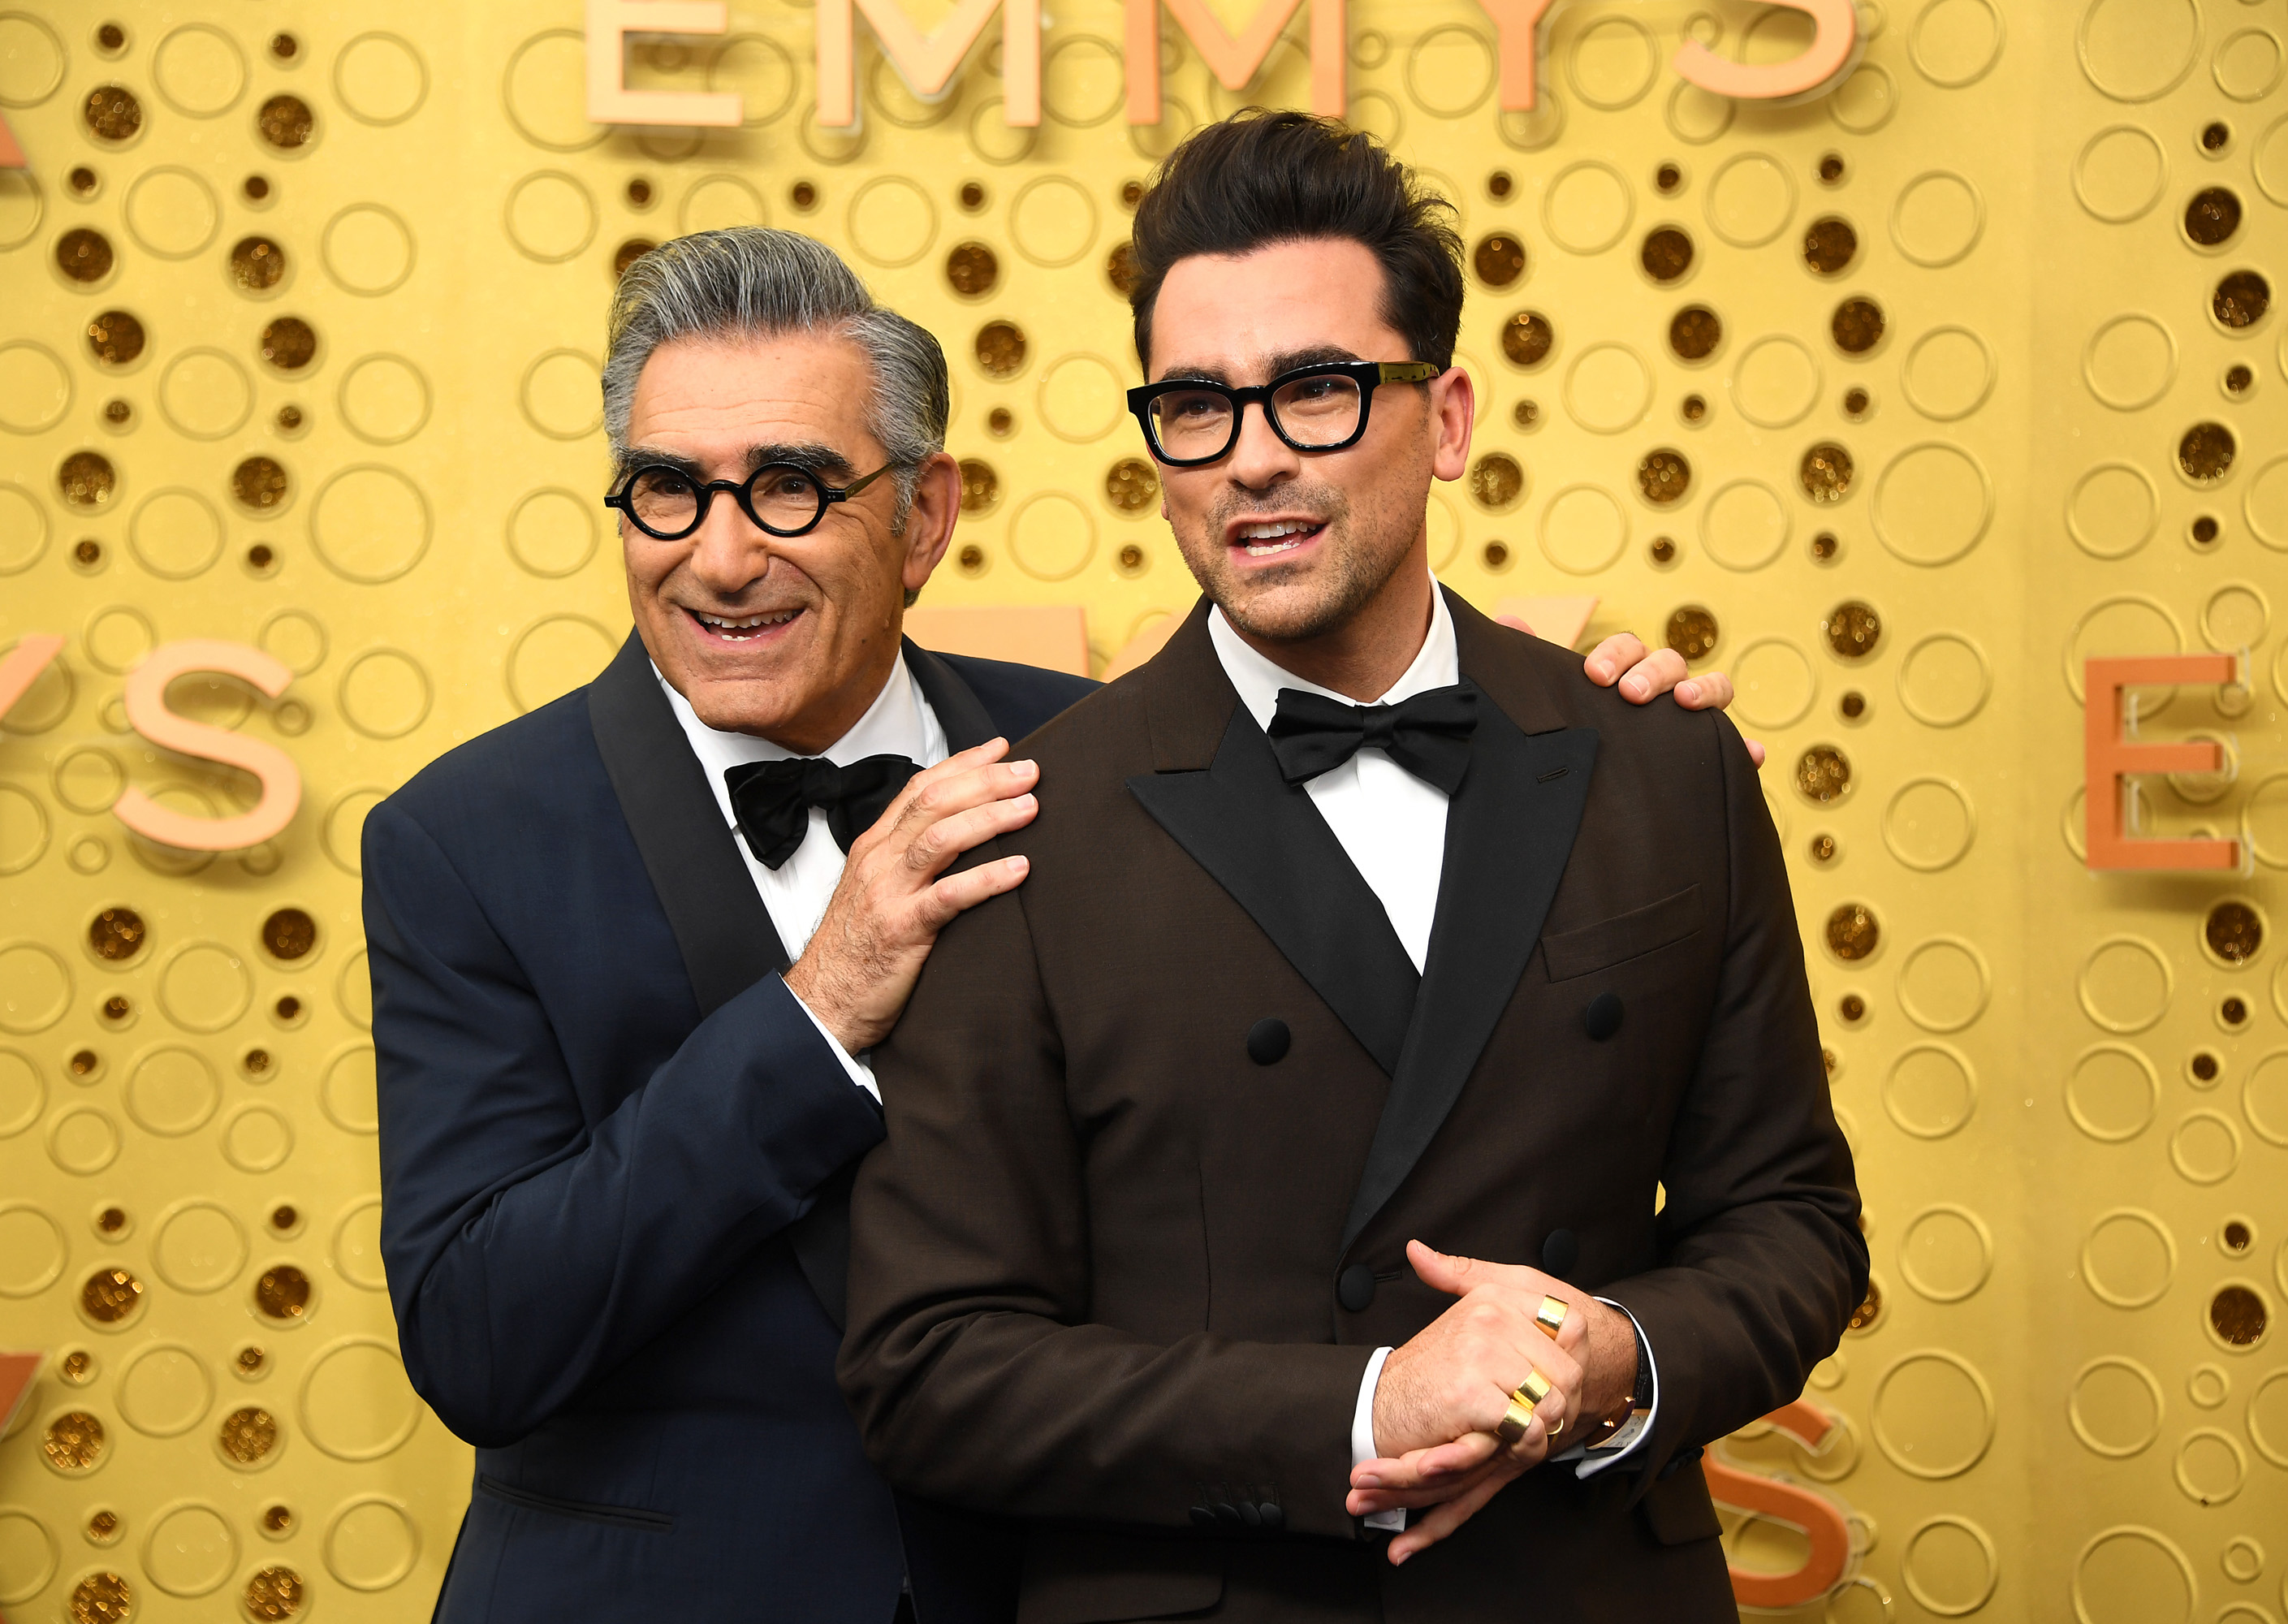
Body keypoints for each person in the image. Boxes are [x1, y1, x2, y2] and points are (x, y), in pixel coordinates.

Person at [363, 227, 1727, 1623]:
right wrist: (815, 1014)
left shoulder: (1102, 759)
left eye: (789, 488)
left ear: (924, 517)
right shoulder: (464, 841)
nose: (720, 558)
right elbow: (479, 1339)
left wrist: (1602, 742)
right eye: (667, 493)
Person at [840, 114, 1867, 1622]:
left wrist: (1612, 1363)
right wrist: (1367, 1412)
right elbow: (933, 1369)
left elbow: (1793, 1225)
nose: (1252, 458)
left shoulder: (1666, 764)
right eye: (1196, 405)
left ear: (1445, 419)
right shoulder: (1022, 830)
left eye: (1317, 389)